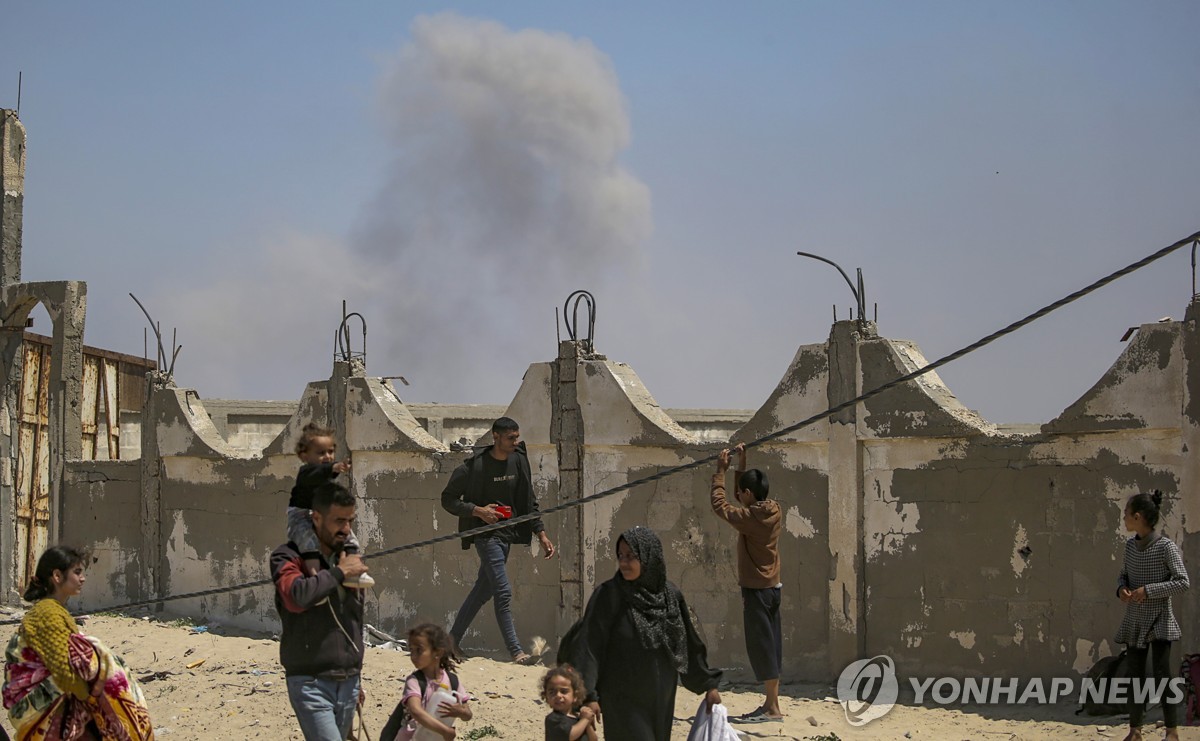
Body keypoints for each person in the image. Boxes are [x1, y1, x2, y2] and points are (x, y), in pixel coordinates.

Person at [564, 526, 722, 740]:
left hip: (661, 697)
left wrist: (708, 685)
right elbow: (589, 647)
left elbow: (686, 644)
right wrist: (588, 696)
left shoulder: (670, 596)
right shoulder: (609, 596)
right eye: (620, 556)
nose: (624, 562)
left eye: (631, 556)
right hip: (622, 696)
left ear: (649, 557)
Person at [2, 545, 154, 740]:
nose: (83, 578)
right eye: (77, 572)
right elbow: (63, 671)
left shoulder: (55, 610)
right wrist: (91, 699)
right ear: (57, 576)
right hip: (51, 704)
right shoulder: (48, 614)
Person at [441, 417, 555, 664]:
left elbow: (528, 501)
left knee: (483, 591)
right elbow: (448, 499)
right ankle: (516, 652)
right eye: (510, 438)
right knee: (502, 591)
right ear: (495, 436)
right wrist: (478, 511)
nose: (515, 442)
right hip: (485, 536)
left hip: (507, 535)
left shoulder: (518, 461)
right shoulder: (474, 468)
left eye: (517, 437)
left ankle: (450, 643)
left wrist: (541, 533)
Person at [271, 480, 370, 741]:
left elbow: (354, 620)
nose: (346, 529)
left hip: (348, 682)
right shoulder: (287, 557)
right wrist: (339, 573)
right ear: (316, 518)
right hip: (310, 683)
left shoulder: (348, 557)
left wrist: (356, 674)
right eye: (339, 521)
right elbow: (296, 597)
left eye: (349, 521)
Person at [711, 443, 783, 723]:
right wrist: (741, 464)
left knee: (762, 647)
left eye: (742, 490)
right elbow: (742, 499)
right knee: (772, 645)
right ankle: (771, 703)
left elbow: (720, 506)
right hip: (773, 589)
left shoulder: (749, 519)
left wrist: (720, 472)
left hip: (757, 592)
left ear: (749, 494)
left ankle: (773, 708)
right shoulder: (772, 509)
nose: (738, 494)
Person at [1115, 491, 1189, 741]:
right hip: (1135, 620)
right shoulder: (1129, 546)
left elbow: (1182, 582)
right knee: (1134, 675)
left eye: (1126, 514)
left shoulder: (1165, 547)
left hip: (1160, 619)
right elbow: (1123, 575)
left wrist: (1149, 590)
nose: (1124, 518)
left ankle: (1171, 731)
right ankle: (1135, 730)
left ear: (1137, 517)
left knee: (1162, 676)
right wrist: (1121, 590)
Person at [289, 422, 373, 588]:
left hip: (323, 515)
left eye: (330, 452)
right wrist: (334, 467)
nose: (327, 456)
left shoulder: (324, 473)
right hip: (302, 515)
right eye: (321, 453)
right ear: (304, 456)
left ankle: (353, 572)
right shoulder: (305, 473)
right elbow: (318, 473)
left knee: (349, 539)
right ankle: (315, 579)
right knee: (309, 542)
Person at [382, 623, 471, 741]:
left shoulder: (453, 681)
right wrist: (444, 731)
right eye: (411, 650)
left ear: (438, 653)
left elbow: (468, 714)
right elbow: (416, 711)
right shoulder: (414, 681)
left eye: (419, 650)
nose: (413, 656)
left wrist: (460, 712)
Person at [541, 664, 597, 741]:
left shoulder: (579, 719)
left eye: (564, 691)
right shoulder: (553, 719)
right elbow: (569, 736)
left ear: (575, 696)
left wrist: (587, 724)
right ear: (546, 697)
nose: (558, 695)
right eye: (552, 692)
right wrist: (585, 720)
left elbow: (593, 739)